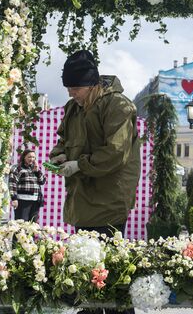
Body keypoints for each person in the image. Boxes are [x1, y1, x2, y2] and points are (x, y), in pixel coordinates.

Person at [50, 50, 140, 314]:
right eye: (67, 87)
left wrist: (79, 165)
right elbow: (63, 141)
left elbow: (115, 152)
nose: (70, 93)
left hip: (109, 200)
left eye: (75, 87)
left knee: (110, 278)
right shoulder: (73, 108)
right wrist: (60, 155)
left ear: (92, 84)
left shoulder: (119, 106)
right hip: (82, 200)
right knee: (85, 273)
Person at [9, 149, 46, 222]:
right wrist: (14, 198)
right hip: (22, 200)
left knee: (32, 225)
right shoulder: (17, 168)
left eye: (33, 157)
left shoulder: (35, 168)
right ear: (24, 157)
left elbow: (42, 181)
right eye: (29, 157)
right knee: (21, 224)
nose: (31, 159)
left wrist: (37, 171)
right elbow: (12, 183)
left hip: (35, 200)